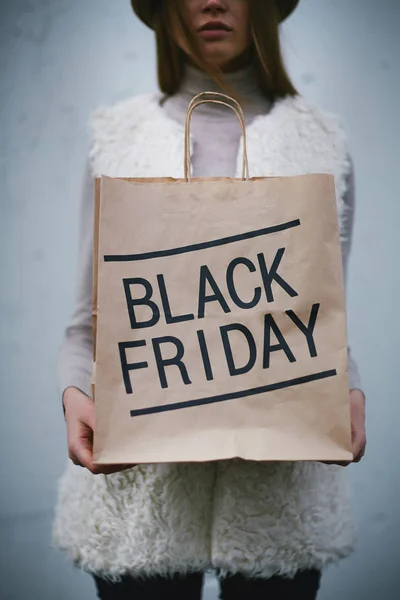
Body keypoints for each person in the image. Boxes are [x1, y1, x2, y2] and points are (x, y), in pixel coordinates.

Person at [54, 1, 367, 598]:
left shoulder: (321, 142)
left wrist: (346, 390)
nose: (212, 2)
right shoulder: (118, 138)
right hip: (141, 488)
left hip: (279, 486)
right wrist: (75, 396)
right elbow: (85, 322)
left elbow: (322, 319)